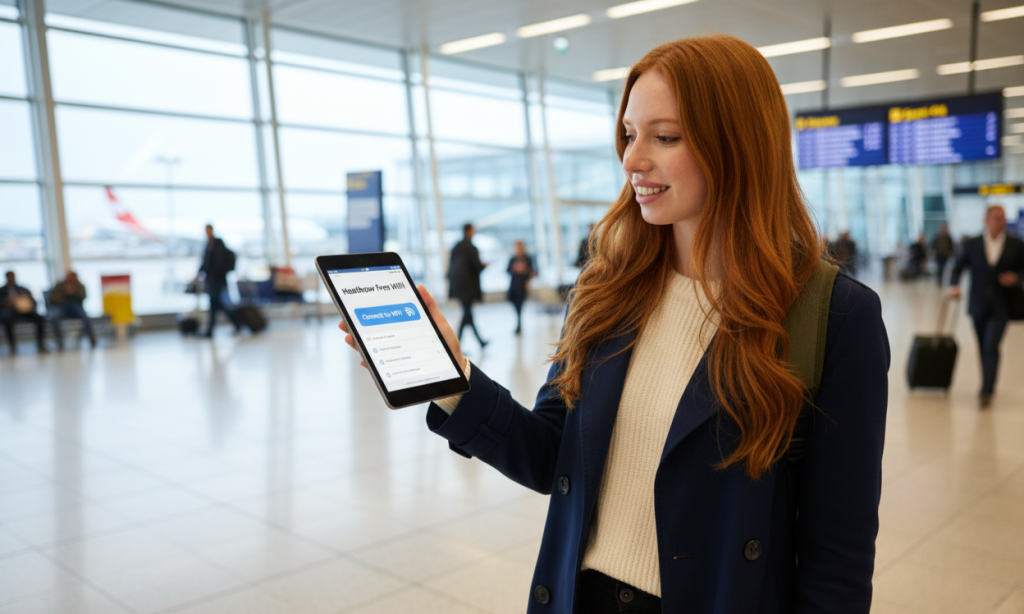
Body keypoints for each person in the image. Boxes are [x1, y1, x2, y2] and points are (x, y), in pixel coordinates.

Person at [340, 36, 889, 613]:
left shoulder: (835, 316)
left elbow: (837, 561)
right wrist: (454, 382)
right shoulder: (607, 290)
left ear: (740, 145)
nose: (632, 159)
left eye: (665, 136)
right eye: (628, 134)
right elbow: (551, 455)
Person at [949, 205, 1024, 408]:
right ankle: (987, 382)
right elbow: (958, 267)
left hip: (1003, 306)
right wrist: (954, 286)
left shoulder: (1016, 244)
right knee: (983, 346)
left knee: (991, 345)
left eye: (1002, 218)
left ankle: (986, 390)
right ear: (986, 220)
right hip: (978, 304)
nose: (1000, 222)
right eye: (996, 218)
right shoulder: (972, 244)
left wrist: (1016, 278)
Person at [195, 224, 243, 337]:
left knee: (215, 304)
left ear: (212, 230)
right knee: (216, 304)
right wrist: (199, 273)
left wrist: (213, 274)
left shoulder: (217, 244)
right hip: (211, 279)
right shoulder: (208, 244)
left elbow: (219, 262)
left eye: (208, 230)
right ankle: (235, 323)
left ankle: (234, 323)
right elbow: (205, 262)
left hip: (217, 280)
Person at [448, 223, 488, 348]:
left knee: (468, 313)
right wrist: (484, 266)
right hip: (468, 287)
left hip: (458, 286)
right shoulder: (471, 248)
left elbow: (450, 267)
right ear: (469, 231)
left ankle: (476, 342)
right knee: (467, 313)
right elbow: (476, 267)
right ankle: (457, 344)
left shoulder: (456, 247)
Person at [1, 271, 47, 354]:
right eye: (9, 277)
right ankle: (12, 347)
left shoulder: (23, 289)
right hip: (11, 311)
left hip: (26, 311)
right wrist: (7, 303)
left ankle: (41, 345)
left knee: (39, 318)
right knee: (7, 319)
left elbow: (34, 302)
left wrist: (27, 303)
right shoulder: (2, 291)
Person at [49, 271, 96, 349]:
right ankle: (59, 340)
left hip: (75, 306)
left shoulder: (80, 285)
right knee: (55, 318)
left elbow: (83, 297)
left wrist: (74, 292)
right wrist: (64, 293)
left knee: (85, 317)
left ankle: (91, 336)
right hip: (62, 306)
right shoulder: (59, 286)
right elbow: (52, 299)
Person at [507, 240, 536, 335]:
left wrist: (525, 271)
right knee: (514, 304)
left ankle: (519, 324)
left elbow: (532, 272)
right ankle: (518, 323)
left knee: (520, 306)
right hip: (513, 286)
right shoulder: (512, 258)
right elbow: (507, 270)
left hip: (522, 286)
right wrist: (515, 269)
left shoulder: (527, 259)